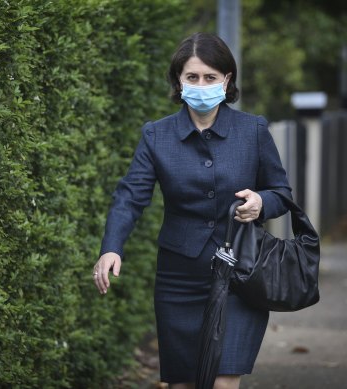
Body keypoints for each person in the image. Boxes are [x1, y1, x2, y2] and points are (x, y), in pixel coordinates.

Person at [92, 32, 291, 389]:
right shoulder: (157, 136)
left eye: (210, 77)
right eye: (192, 77)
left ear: (226, 80)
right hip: (179, 279)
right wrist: (111, 247)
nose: (201, 85)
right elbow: (130, 195)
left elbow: (281, 192)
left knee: (222, 381)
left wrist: (261, 203)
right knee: (183, 383)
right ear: (179, 82)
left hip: (241, 274)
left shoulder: (254, 130)